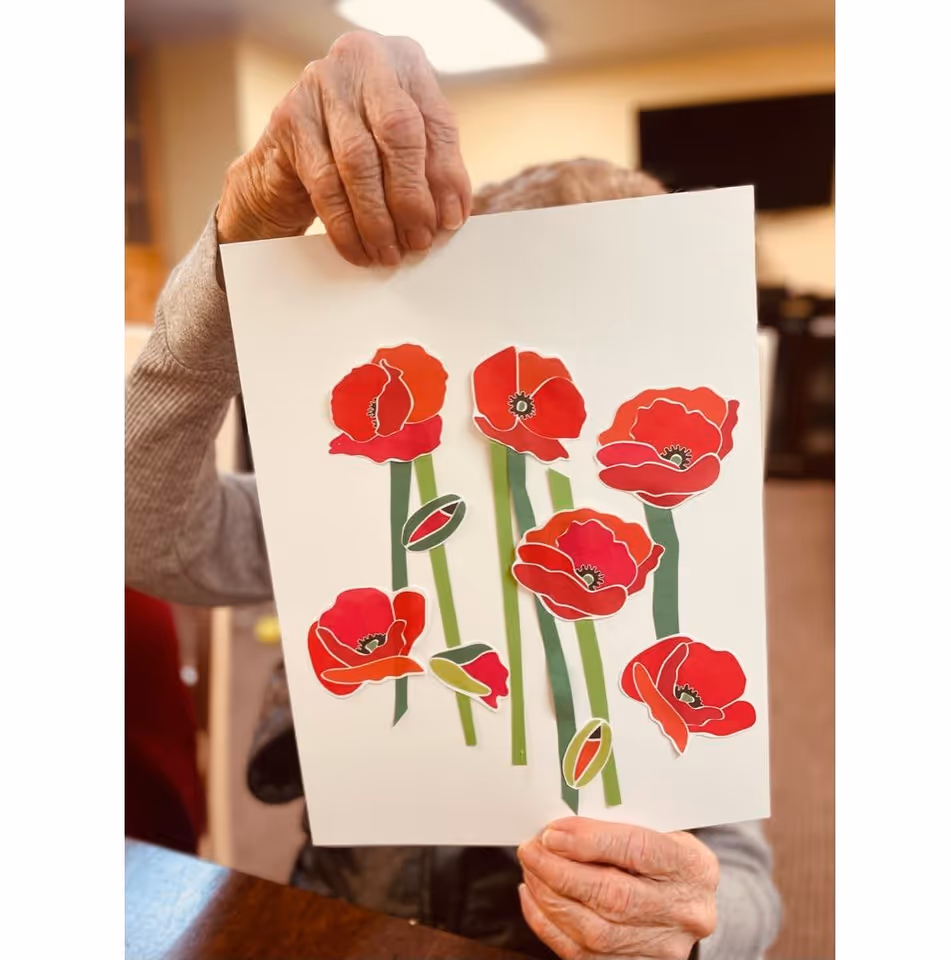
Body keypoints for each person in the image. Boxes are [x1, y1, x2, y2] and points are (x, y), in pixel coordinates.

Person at [126, 30, 780, 960]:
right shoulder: (356, 503)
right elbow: (137, 530)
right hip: (349, 922)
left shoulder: (687, 576)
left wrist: (686, 928)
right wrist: (238, 253)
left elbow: (746, 884)